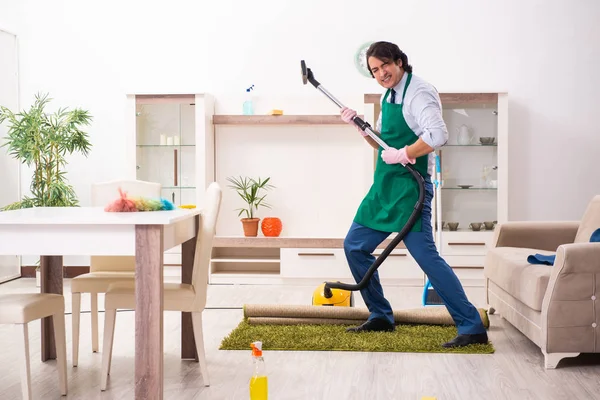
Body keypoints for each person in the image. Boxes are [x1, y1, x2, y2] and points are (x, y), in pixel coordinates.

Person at [339, 41, 488, 348]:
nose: (382, 74)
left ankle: (471, 325)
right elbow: (384, 146)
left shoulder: (419, 92)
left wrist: (405, 153)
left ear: (400, 61)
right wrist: (361, 129)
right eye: (375, 70)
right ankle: (380, 315)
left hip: (412, 189)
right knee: (355, 246)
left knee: (426, 257)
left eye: (385, 66)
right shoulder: (389, 93)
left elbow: (438, 135)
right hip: (385, 188)